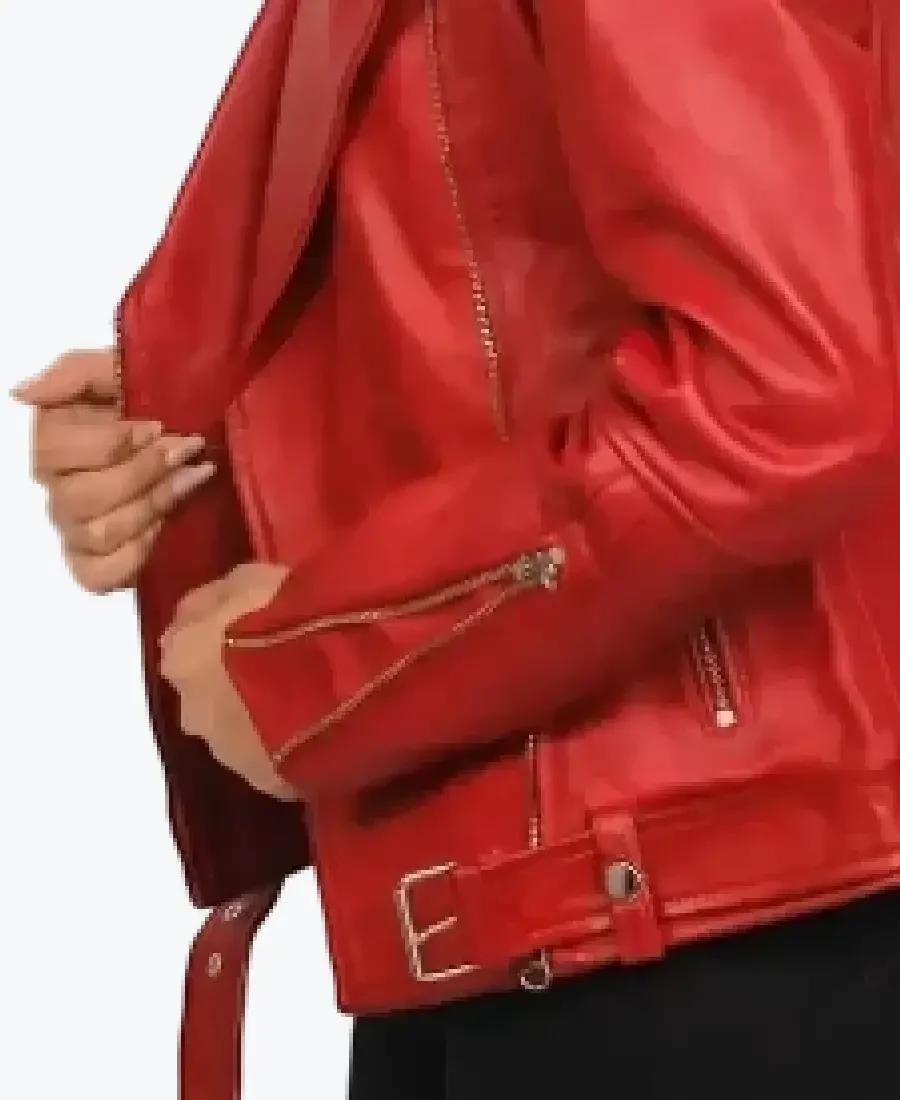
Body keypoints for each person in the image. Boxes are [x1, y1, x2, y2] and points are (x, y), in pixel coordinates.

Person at [15, 0, 900, 1096]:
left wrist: (314, 661)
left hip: (693, 926)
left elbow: (784, 395)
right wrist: (213, 437)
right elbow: (511, 265)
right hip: (546, 901)